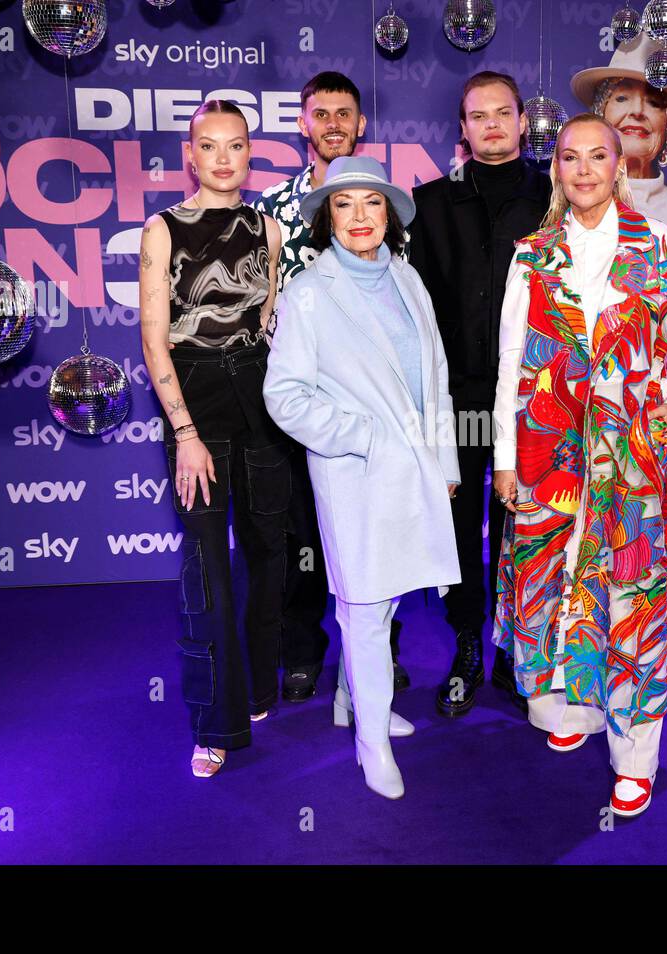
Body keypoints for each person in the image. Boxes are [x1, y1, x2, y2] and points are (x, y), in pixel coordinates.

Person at [492, 114, 667, 818]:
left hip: (635, 459)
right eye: (569, 158)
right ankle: (572, 711)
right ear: (555, 168)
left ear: (620, 165)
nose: (583, 169)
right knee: (552, 585)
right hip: (548, 453)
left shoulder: (662, 248)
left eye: (598, 156)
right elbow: (508, 365)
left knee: (632, 598)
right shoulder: (532, 255)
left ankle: (635, 755)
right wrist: (503, 458)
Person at [264, 156, 461, 800]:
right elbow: (285, 395)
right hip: (355, 474)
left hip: (417, 472)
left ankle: (354, 702)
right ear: (327, 216)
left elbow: (436, 378)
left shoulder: (408, 279)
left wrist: (446, 462)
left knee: (392, 593)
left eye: (370, 204)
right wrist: (363, 438)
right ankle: (371, 740)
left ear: (388, 215)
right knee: (366, 604)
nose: (358, 217)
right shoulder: (309, 291)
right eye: (343, 205)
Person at [139, 100, 290, 778]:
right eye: (210, 145)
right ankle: (213, 723)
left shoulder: (268, 229)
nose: (224, 157)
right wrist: (186, 434)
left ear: (249, 155)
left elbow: (266, 322)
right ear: (191, 156)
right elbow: (152, 336)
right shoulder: (163, 228)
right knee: (205, 564)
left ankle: (258, 686)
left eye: (237, 145)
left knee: (267, 549)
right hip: (195, 398)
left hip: (258, 394)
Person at [253, 71, 408, 699]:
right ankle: (301, 646)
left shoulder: (385, 204)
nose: (334, 124)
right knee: (300, 536)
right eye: (322, 114)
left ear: (361, 122)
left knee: (375, 533)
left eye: (345, 113)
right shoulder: (270, 208)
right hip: (298, 400)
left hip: (369, 402)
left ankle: (372, 659)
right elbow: (258, 300)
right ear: (303, 123)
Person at [408, 71, 550, 719]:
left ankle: (517, 654)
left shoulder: (555, 195)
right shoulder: (428, 204)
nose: (491, 124)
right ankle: (468, 645)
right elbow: (415, 312)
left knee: (530, 528)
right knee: (461, 526)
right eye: (477, 115)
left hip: (537, 400)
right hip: (459, 398)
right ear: (461, 129)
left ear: (524, 121)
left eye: (503, 113)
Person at [570, 35, 667, 237]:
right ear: (601, 115)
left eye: (654, 102)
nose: (637, 111)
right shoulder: (574, 200)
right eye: (622, 98)